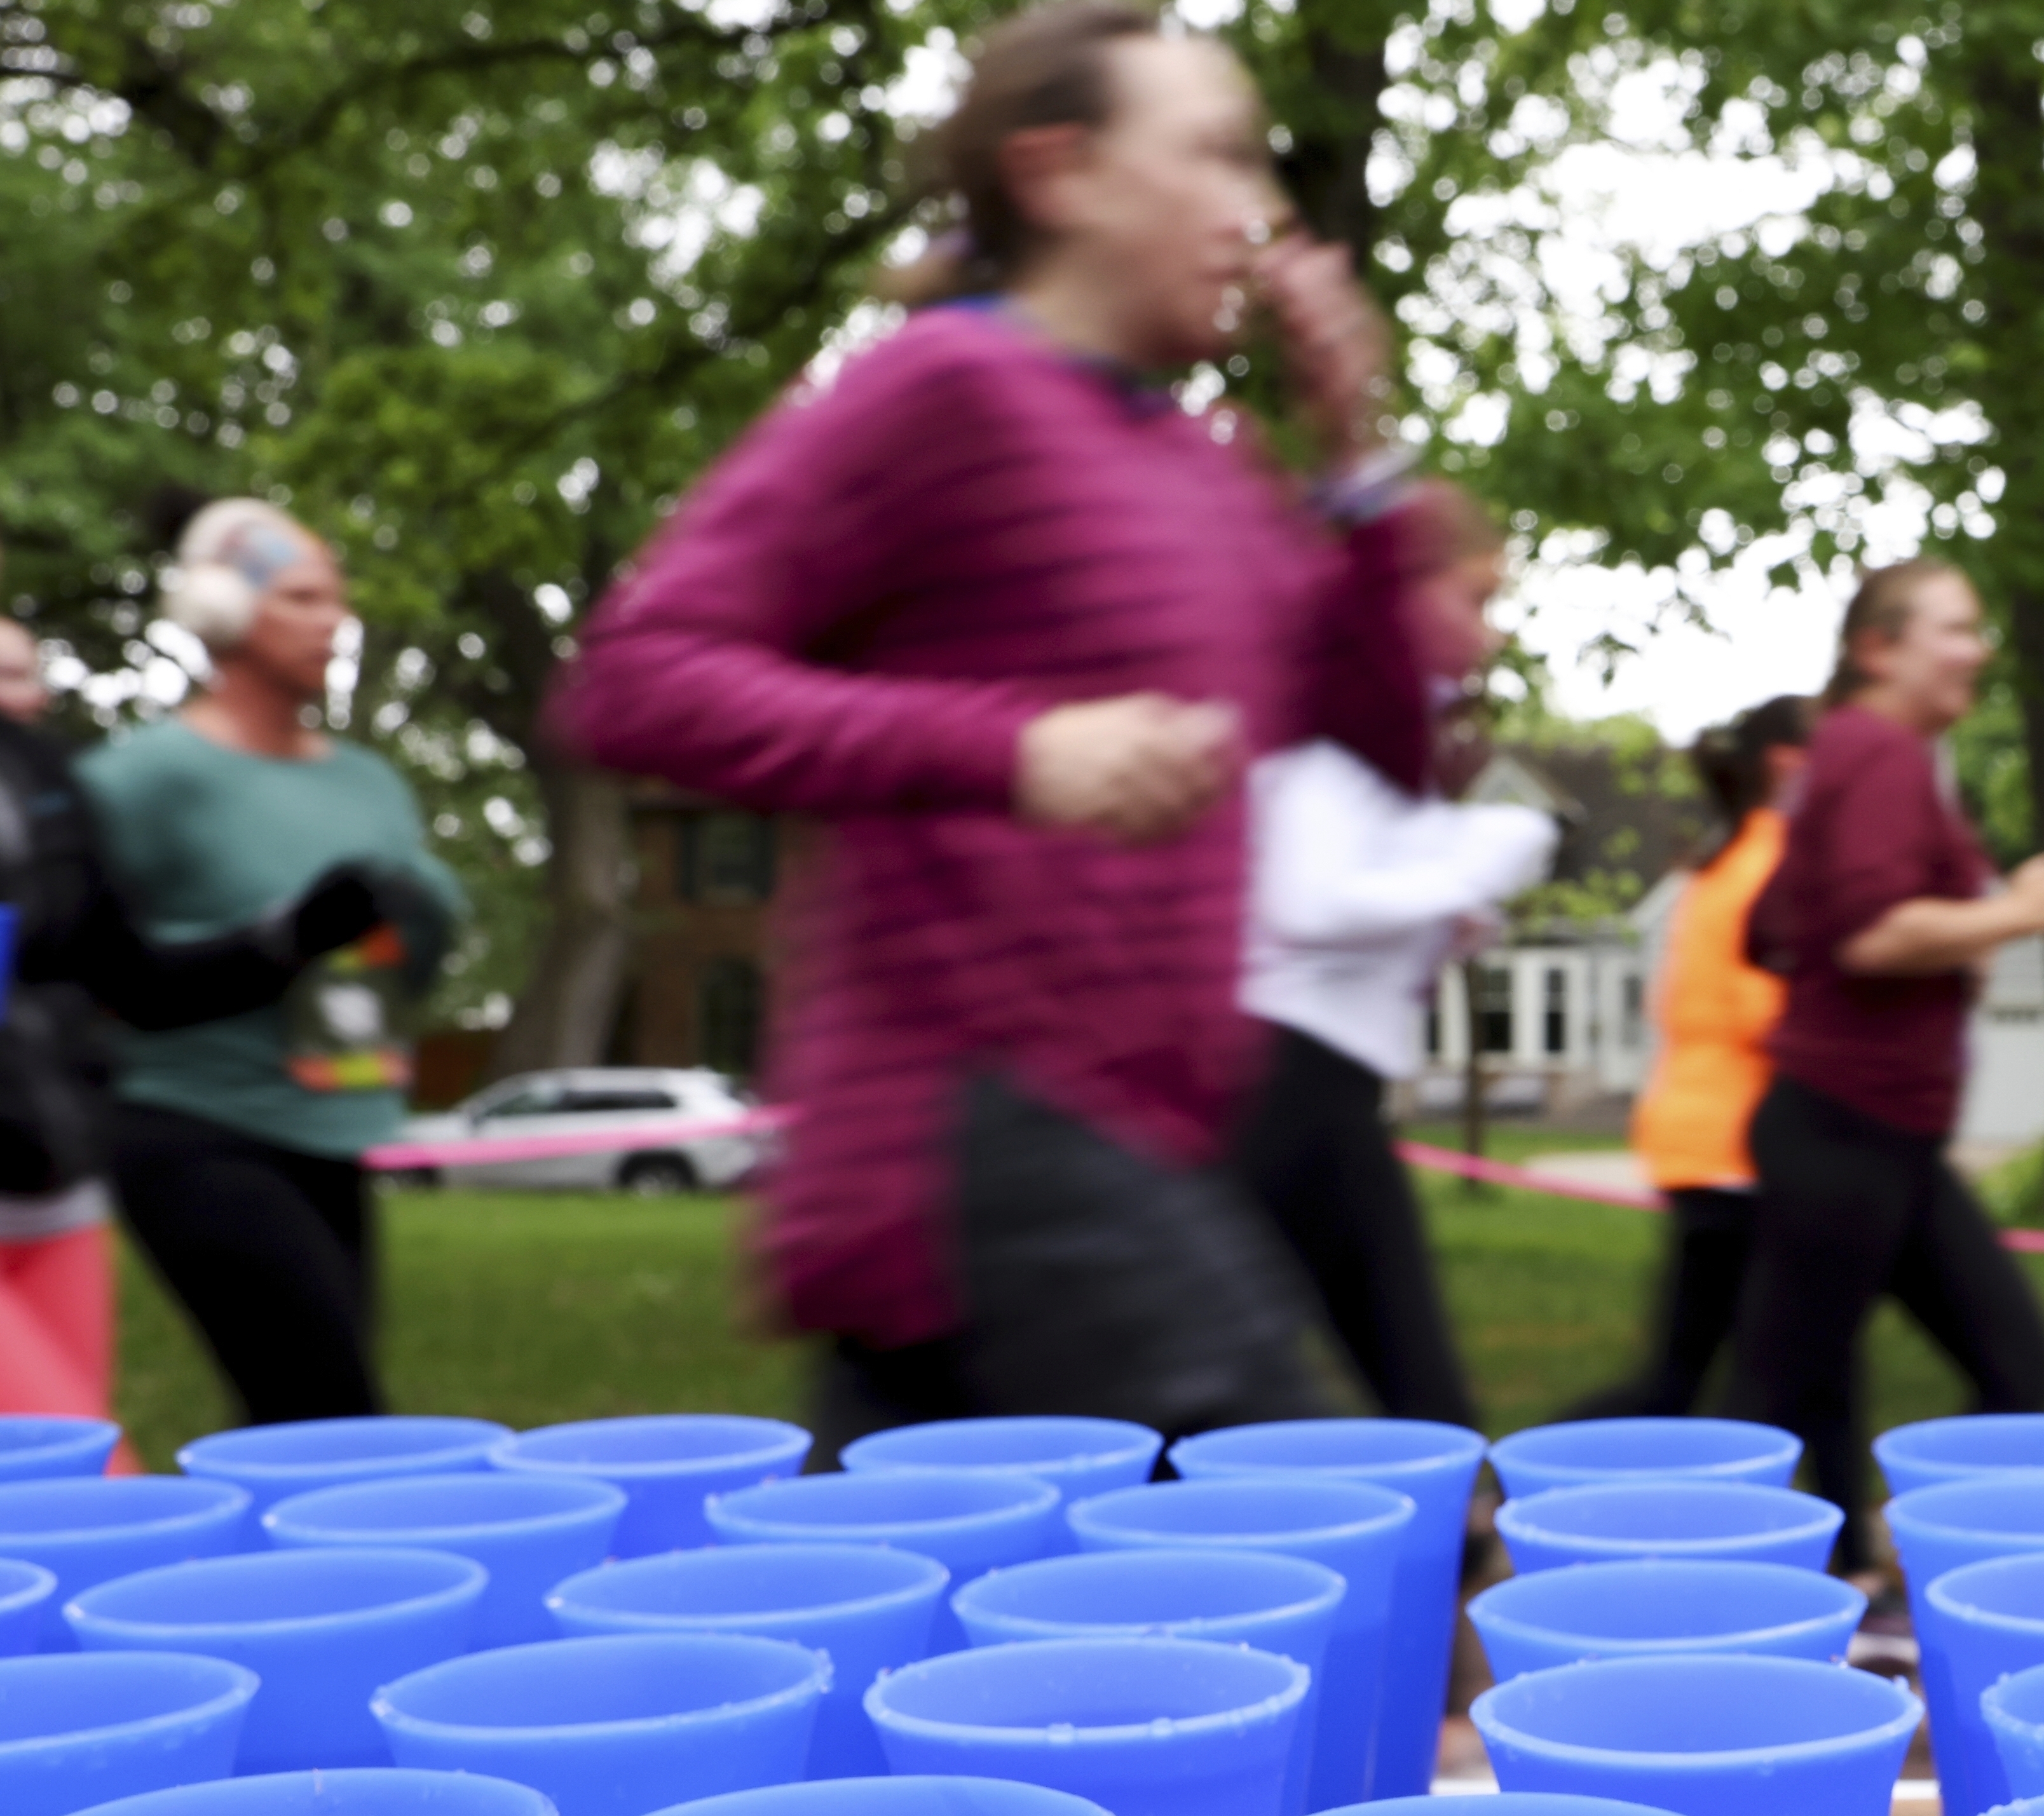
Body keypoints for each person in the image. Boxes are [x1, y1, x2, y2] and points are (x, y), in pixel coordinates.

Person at [555, 1, 1440, 1455]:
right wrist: (1016, 751)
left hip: (1139, 1146)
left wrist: (1361, 469)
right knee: (1302, 1530)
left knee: (946, 1613)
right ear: (1061, 174)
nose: (1260, 214)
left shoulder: (1213, 469)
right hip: (975, 1128)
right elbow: (641, 678)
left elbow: (1385, 751)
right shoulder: (942, 388)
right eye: (1216, 158)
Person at [1731, 562, 2044, 1569]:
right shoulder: (1880, 754)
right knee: (1772, 1408)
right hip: (1845, 1130)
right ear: (1878, 649)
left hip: (1875, 1137)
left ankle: (1905, 1580)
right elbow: (1870, 936)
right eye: (1955, 629)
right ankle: (1684, 1607)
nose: (1978, 650)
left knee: (1979, 1366)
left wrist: (1957, 948)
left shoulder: (1844, 761)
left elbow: (1773, 928)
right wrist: (2017, 913)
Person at [77, 501, 463, 1427]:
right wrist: (278, 936)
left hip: (333, 1127)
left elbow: (404, 967)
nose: (333, 620)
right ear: (220, 613)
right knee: (333, 1415)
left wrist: (422, 925)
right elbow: (70, 957)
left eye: (337, 599)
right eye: (302, 597)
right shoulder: (144, 781)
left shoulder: (369, 783)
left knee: (297, 1426)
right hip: (192, 1129)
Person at [1229, 493, 1557, 1426]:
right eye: (1474, 600)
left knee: (1404, 1384)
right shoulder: (1329, 723)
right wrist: (1485, 850)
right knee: (1216, 1388)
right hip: (1280, 1088)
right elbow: (1313, 901)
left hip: (1325, 1089)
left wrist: (1442, 906)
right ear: (1400, 595)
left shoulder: (1381, 737)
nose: (1489, 639)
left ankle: (1456, 1529)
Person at [1564, 694, 1815, 1421]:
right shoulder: (1770, 864)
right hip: (1735, 1149)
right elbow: (1761, 1010)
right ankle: (1522, 1482)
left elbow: (1667, 1003)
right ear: (1787, 764)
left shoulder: (1723, 860)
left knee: (1704, 1373)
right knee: (1720, 1378)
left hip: (1706, 1140)